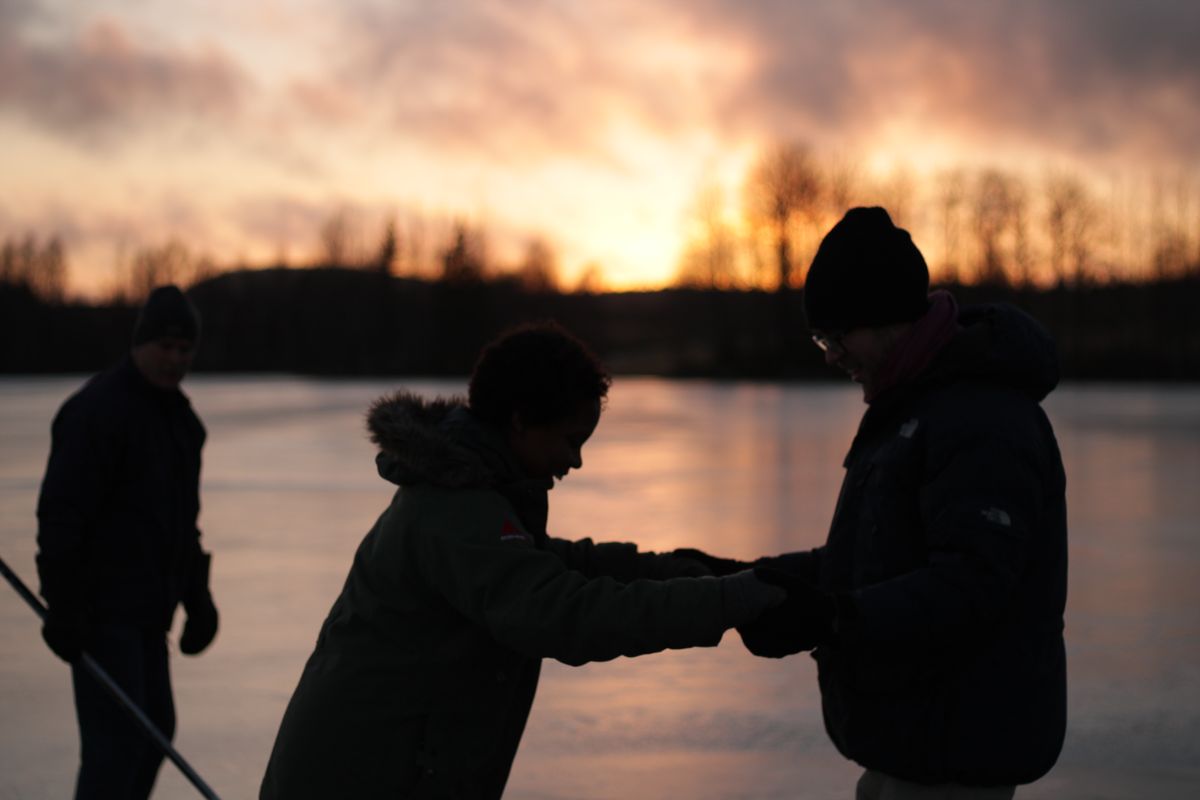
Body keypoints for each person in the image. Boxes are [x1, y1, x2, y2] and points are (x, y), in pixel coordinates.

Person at [259, 321, 784, 799]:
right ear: (519, 422)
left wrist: (686, 568)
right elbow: (560, 613)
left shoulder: (475, 493)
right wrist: (726, 601)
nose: (575, 460)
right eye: (571, 440)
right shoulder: (454, 509)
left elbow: (553, 564)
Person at [739, 207, 1068, 799]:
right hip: (907, 751)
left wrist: (835, 618)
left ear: (885, 320)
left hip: (956, 757)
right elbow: (874, 558)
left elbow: (971, 583)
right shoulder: (912, 408)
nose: (831, 355)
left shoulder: (982, 418)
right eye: (822, 339)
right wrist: (750, 581)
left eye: (836, 337)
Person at [36, 284, 219, 800]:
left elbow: (183, 524)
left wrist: (197, 597)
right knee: (118, 745)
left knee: (155, 731)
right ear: (140, 343)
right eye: (165, 346)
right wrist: (64, 603)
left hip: (148, 614)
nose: (175, 359)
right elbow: (61, 516)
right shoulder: (95, 413)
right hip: (101, 614)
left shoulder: (183, 425)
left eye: (185, 350)